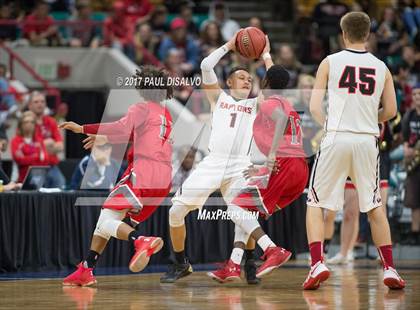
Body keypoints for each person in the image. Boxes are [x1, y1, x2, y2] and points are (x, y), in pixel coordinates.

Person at [160, 32, 273, 284]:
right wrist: (229, 46)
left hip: (241, 165)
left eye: (249, 78)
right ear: (229, 82)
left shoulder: (256, 104)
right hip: (213, 162)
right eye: (240, 77)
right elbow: (205, 66)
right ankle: (180, 262)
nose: (246, 81)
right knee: (175, 211)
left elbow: (274, 83)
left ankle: (250, 261)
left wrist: (266, 55)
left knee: (246, 212)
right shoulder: (218, 98)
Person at [303, 12, 405, 290]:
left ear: (343, 33)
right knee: (374, 207)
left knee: (315, 203)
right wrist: (370, 118)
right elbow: (393, 111)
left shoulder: (329, 62)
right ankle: (390, 269)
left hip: (336, 137)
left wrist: (330, 123)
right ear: (369, 33)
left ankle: (316, 264)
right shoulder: (382, 67)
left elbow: (314, 107)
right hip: (366, 140)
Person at [60, 66, 174, 286]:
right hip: (164, 179)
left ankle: (141, 240)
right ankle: (87, 268)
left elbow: (121, 128)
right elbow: (137, 135)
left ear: (142, 88)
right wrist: (105, 139)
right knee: (106, 220)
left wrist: (83, 128)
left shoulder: (140, 108)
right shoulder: (164, 114)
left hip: (144, 171)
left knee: (106, 221)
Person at [207, 64, 309, 283]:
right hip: (299, 169)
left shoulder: (269, 103)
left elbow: (280, 121)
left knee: (235, 206)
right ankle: (234, 265)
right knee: (247, 210)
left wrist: (271, 156)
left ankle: (272, 249)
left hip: (283, 164)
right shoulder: (287, 103)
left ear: (264, 82)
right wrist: (263, 168)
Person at [27, 91, 65, 188]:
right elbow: (27, 148)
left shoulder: (51, 121)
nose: (40, 104)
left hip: (52, 166)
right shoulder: (26, 123)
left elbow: (60, 146)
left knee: (61, 186)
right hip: (33, 167)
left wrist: (40, 147)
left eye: (42, 101)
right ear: (29, 105)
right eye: (36, 102)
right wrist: (48, 144)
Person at [402, 84, 420, 245]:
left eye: (419, 94)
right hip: (414, 163)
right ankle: (415, 234)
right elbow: (405, 137)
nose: (417, 97)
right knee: (414, 200)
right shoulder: (410, 115)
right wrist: (407, 148)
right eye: (414, 94)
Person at [11, 111, 50, 183]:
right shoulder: (15, 141)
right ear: (21, 125)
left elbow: (46, 160)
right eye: (26, 122)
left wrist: (28, 157)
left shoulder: (39, 140)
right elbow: (20, 160)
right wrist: (37, 157)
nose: (29, 124)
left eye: (32, 122)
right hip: (21, 180)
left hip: (39, 179)